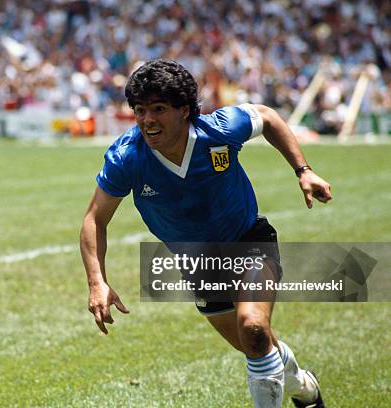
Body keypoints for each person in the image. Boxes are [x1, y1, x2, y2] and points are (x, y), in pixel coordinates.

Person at [79, 59, 332, 408]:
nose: (147, 120)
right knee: (255, 344)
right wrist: (97, 281)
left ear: (185, 111)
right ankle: (304, 388)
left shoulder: (220, 130)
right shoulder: (127, 158)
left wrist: (303, 170)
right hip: (198, 263)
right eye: (139, 110)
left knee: (254, 329)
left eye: (158, 109)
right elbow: (94, 219)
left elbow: (268, 116)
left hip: (248, 240)